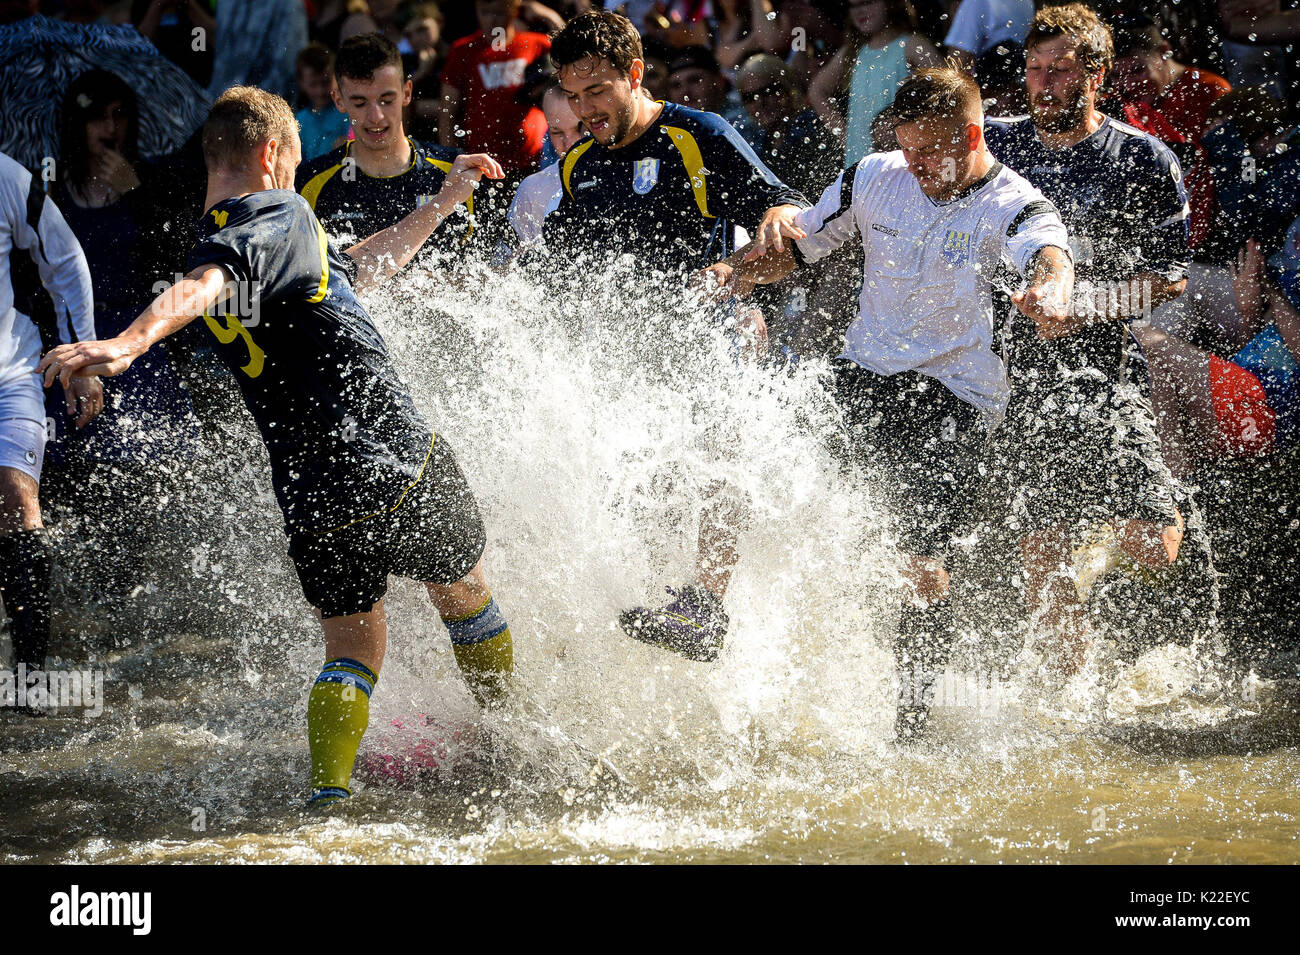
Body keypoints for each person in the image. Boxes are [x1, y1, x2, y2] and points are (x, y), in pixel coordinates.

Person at [39, 86, 513, 805]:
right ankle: (516, 731)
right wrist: (125, 346)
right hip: (392, 456)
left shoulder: (245, 240)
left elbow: (357, 266)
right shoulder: (276, 214)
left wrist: (445, 200)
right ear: (270, 156)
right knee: (466, 593)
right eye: (292, 163)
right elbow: (209, 281)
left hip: (311, 494)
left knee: (353, 650)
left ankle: (329, 803)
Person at [714, 67, 1073, 740]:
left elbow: (1050, 255)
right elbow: (799, 249)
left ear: (971, 135)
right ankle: (715, 623)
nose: (916, 166)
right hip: (862, 372)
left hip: (955, 398)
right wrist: (736, 272)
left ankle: (911, 726)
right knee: (751, 460)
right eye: (906, 149)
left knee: (922, 569)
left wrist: (1049, 290)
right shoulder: (875, 175)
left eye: (930, 152)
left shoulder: (1013, 202)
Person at [544, 10, 809, 662]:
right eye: (573, 98)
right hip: (627, 357)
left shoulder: (697, 135)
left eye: (597, 91)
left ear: (635, 74)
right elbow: (553, 271)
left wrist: (758, 241)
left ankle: (707, 607)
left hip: (707, 338)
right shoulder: (580, 163)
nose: (585, 110)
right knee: (645, 491)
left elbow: (784, 206)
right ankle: (643, 613)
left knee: (721, 459)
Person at [983, 3, 1197, 676]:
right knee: (1047, 591)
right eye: (1035, 70)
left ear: (1097, 76)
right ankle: (1073, 722)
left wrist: (1084, 308)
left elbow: (1169, 282)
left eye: (1061, 71)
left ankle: (1159, 502)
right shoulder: (995, 146)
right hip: (1014, 371)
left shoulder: (1142, 158)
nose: (1044, 85)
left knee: (1155, 548)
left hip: (1105, 367)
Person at [46, 70, 202, 601]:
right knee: (64, 468)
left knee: (139, 468)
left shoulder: (150, 181)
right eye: (98, 116)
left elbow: (186, 259)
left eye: (120, 114)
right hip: (70, 341)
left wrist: (138, 194)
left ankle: (144, 591)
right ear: (77, 124)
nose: (111, 127)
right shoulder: (45, 193)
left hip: (136, 343)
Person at [0, 149, 101, 698]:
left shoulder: (7, 176)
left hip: (9, 371)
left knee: (16, 500)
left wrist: (81, 363)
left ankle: (29, 678)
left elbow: (65, 259)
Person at [297, 33, 472, 259]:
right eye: (360, 103)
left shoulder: (456, 174)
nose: (375, 116)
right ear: (339, 100)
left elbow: (494, 272)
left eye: (386, 100)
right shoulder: (309, 184)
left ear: (407, 93)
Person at [1139, 233, 1300, 473]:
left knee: (1145, 338)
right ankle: (1177, 475)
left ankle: (1177, 477)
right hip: (1246, 399)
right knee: (1153, 359)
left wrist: (1270, 288)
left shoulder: (1282, 293)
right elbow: (1257, 350)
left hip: (1259, 412)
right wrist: (1250, 311)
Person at [809, 0, 938, 165]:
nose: (859, 11)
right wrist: (846, 136)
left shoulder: (911, 45)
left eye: (867, 2)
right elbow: (817, 91)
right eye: (853, 5)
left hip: (902, 157)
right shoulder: (853, 52)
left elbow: (948, 88)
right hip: (860, 159)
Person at [438, 0, 552, 173]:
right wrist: (449, 160)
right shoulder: (463, 50)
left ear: (514, 11)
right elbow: (447, 112)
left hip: (534, 156)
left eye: (499, 12)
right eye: (485, 12)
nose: (492, 19)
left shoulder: (537, 44)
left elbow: (574, 51)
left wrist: (547, 15)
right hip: (482, 160)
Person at [505, 83, 586, 252]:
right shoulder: (532, 189)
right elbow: (501, 265)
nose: (569, 144)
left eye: (580, 129)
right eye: (557, 133)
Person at [294, 43, 350, 162]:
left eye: (325, 82)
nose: (320, 91)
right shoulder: (299, 121)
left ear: (337, 77)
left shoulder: (347, 112)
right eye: (313, 84)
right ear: (301, 82)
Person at [942, 0, 1035, 71]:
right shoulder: (1027, 2)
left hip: (987, 87)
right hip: (1014, 80)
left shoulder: (975, 3)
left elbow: (958, 63)